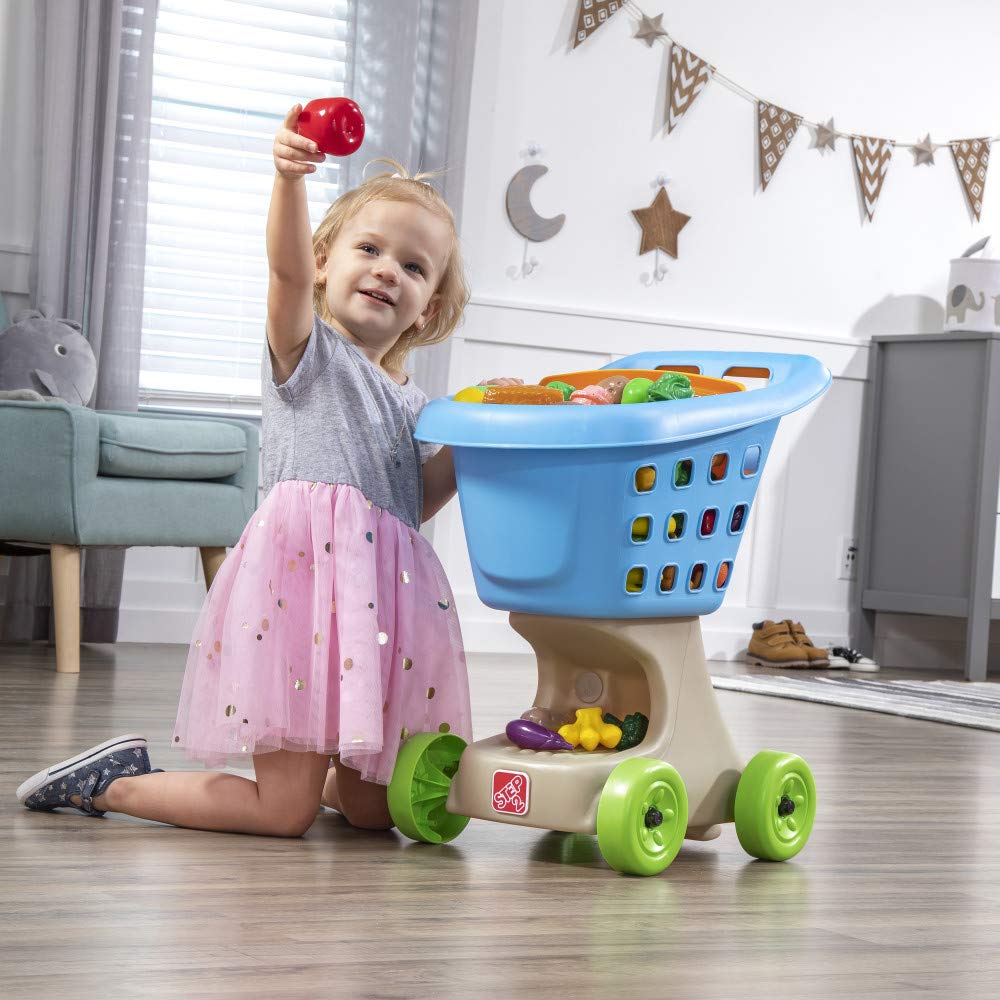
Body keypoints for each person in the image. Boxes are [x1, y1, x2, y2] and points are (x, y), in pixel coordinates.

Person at [16, 104, 522, 837]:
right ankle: (115, 785)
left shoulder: (416, 404)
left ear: (427, 307)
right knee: (281, 815)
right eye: (369, 249)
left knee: (374, 811)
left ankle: (314, 777)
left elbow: (416, 503)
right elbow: (283, 271)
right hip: (301, 606)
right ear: (325, 261)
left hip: (373, 620)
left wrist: (480, 436)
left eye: (412, 267)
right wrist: (288, 178)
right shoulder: (308, 354)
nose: (387, 271)